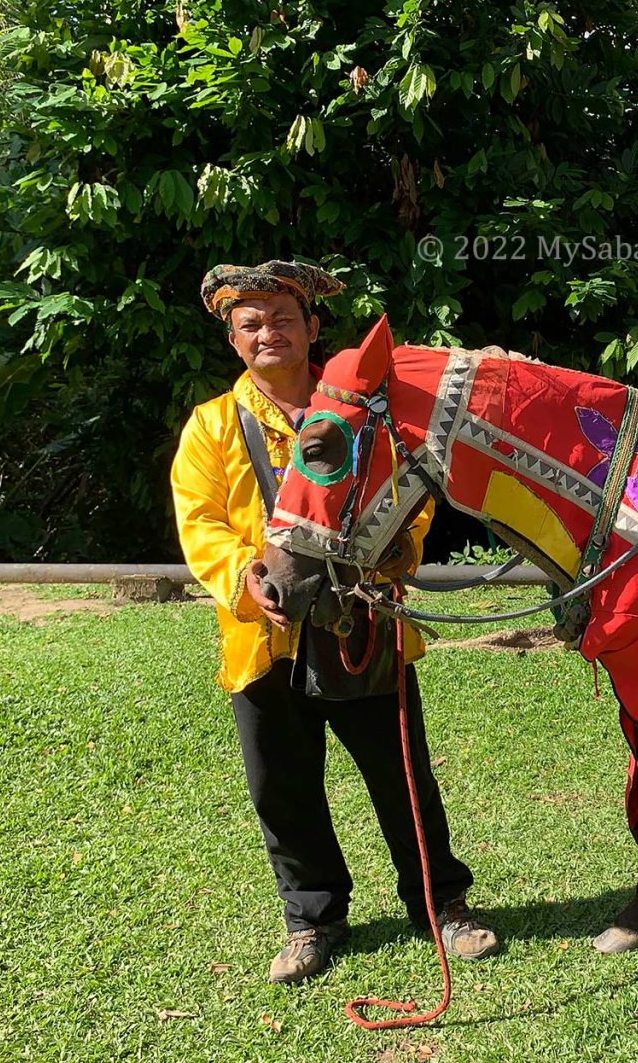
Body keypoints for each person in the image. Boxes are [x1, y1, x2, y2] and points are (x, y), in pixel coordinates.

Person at [170, 260, 497, 983]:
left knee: (401, 771)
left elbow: (412, 487)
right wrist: (245, 575)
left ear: (313, 328)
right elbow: (200, 523)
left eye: (283, 318)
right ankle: (311, 920)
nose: (268, 333)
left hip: (364, 620)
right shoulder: (212, 427)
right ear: (233, 339)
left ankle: (442, 906)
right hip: (264, 636)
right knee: (281, 786)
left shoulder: (356, 406)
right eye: (250, 323)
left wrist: (402, 549)